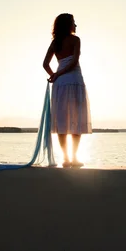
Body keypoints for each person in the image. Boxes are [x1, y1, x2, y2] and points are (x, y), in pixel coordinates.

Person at [43, 13, 92, 168]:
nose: (75, 25)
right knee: (76, 120)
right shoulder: (75, 40)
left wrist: (55, 76)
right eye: (73, 22)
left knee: (62, 121)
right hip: (74, 80)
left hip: (60, 83)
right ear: (68, 25)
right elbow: (74, 62)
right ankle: (74, 158)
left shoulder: (55, 43)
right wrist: (58, 74)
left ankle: (65, 159)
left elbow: (45, 64)